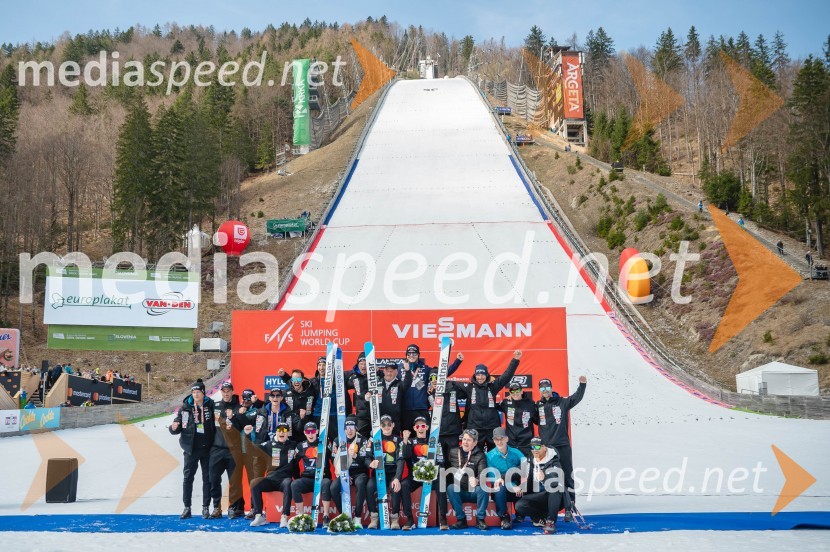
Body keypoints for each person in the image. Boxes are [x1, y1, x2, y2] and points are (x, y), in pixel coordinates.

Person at [536, 375, 586, 506]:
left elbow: (576, 398)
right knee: (549, 475)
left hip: (562, 445)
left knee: (567, 474)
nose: (545, 390)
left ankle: (571, 503)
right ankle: (553, 503)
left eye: (547, 387)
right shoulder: (538, 406)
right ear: (539, 390)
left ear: (551, 388)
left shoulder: (562, 402)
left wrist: (582, 385)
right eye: (542, 388)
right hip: (546, 448)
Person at [169, 380, 216, 519]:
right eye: (193, 392)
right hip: (191, 449)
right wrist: (173, 428)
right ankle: (187, 507)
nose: (195, 395)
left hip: (207, 448)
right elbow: (177, 426)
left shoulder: (211, 405)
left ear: (203, 393)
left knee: (207, 479)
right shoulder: (185, 407)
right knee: (188, 478)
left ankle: (206, 507)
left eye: (198, 392)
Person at [462, 350, 522, 451]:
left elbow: (506, 376)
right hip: (475, 429)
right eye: (478, 375)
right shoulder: (469, 387)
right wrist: (435, 386)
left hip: (492, 428)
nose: (480, 377)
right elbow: (452, 386)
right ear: (475, 376)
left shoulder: (493, 386)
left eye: (482, 375)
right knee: (475, 455)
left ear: (486, 375)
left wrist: (515, 360)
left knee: (495, 453)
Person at [400, 343, 463, 432]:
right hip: (405, 410)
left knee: (423, 438)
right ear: (406, 355)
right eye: (409, 353)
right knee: (407, 437)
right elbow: (389, 377)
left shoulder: (425, 369)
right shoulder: (400, 369)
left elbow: (443, 374)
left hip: (422, 409)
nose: (411, 355)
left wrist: (457, 361)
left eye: (414, 353)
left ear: (418, 355)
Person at [400, 415, 446, 530]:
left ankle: (443, 519)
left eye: (423, 426)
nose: (420, 428)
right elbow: (405, 456)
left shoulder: (435, 441)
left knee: (442, 482)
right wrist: (405, 440)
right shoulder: (410, 441)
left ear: (427, 427)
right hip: (416, 476)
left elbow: (441, 461)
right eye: (418, 426)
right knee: (404, 485)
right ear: (414, 428)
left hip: (431, 476)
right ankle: (410, 520)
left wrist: (432, 471)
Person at [514, 437, 567, 534]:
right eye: (532, 447)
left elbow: (556, 481)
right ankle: (539, 517)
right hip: (537, 497)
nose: (534, 450)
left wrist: (545, 477)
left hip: (552, 497)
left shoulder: (553, 461)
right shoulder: (530, 460)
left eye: (537, 447)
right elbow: (514, 472)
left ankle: (550, 522)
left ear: (544, 448)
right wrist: (501, 478)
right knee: (519, 506)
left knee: (555, 488)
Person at [249, 422, 296, 528]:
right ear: (276, 432)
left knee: (289, 482)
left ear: (288, 433)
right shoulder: (269, 444)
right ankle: (259, 515)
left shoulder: (293, 445)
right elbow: (252, 450)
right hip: (271, 479)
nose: (281, 432)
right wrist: (248, 435)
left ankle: (284, 516)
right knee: (254, 482)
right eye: (279, 430)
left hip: (284, 480)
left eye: (284, 430)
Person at [209, 382, 243, 518]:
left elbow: (243, 426)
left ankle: (232, 508)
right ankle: (216, 508)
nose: (226, 393)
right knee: (214, 480)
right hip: (216, 449)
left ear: (232, 391)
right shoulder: (215, 406)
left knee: (234, 481)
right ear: (221, 392)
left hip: (233, 450)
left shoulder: (238, 407)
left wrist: (233, 418)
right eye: (224, 391)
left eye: (228, 391)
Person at [366, 414, 406, 529]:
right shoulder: (373, 439)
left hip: (392, 474)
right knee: (369, 486)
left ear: (393, 425)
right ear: (380, 426)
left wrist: (397, 478)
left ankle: (394, 519)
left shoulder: (398, 440)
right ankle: (374, 518)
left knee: (395, 487)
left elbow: (400, 460)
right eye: (383, 424)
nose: (386, 427)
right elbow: (367, 457)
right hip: (378, 474)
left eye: (389, 424)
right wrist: (370, 463)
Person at [330, 417, 371, 528]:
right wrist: (344, 475)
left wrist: (355, 456)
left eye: (352, 427)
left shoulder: (362, 440)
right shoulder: (337, 440)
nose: (349, 430)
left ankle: (357, 517)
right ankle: (344, 515)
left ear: (356, 428)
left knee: (360, 483)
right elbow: (334, 460)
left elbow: (365, 461)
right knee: (333, 488)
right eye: (347, 428)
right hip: (344, 472)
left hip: (359, 472)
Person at [233, 389, 268, 517]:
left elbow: (247, 422)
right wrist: (237, 413)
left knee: (254, 480)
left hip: (252, 450)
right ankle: (238, 507)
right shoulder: (240, 409)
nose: (246, 401)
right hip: (240, 449)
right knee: (237, 480)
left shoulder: (257, 409)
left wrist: (241, 413)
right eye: (244, 398)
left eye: (249, 398)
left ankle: (255, 508)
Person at [485, 427, 528, 529]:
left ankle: (524, 513)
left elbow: (526, 466)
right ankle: (504, 517)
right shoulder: (489, 456)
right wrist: (513, 486)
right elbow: (494, 477)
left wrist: (521, 484)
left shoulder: (516, 452)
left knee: (528, 483)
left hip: (517, 487)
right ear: (493, 441)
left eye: (502, 438)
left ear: (507, 439)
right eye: (496, 439)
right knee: (500, 486)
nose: (499, 442)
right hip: (501, 489)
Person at [445, 428, 489, 530]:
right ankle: (461, 520)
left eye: (469, 440)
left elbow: (483, 473)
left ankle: (480, 519)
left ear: (475, 443)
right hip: (459, 492)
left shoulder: (480, 455)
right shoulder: (453, 452)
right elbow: (446, 468)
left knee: (483, 488)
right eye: (464, 439)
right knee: (451, 488)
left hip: (474, 491)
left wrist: (477, 480)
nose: (465, 442)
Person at [291, 421, 333, 524]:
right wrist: (297, 477)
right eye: (308, 432)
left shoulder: (324, 443)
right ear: (304, 433)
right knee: (295, 484)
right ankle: (300, 516)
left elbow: (334, 458)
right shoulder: (301, 446)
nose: (310, 434)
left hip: (322, 478)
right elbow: (293, 463)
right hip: (308, 478)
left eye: (313, 431)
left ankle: (326, 516)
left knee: (326, 483)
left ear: (317, 432)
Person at [498, 382, 536, 457]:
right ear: (509, 392)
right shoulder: (505, 403)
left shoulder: (531, 404)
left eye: (517, 390)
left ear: (522, 391)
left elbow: (537, 420)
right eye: (512, 391)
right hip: (511, 444)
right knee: (512, 468)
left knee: (527, 467)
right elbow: (492, 408)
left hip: (526, 445)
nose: (515, 393)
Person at [374, 361, 413, 431]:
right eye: (387, 371)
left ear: (396, 372)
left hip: (395, 421)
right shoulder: (377, 383)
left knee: (395, 441)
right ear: (384, 371)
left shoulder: (399, 384)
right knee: (379, 441)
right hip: (379, 420)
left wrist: (407, 371)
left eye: (391, 371)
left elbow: (407, 383)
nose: (389, 373)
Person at [346, 353, 372, 438]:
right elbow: (343, 385)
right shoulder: (354, 377)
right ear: (358, 364)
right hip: (361, 415)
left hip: (375, 413)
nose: (363, 366)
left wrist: (378, 371)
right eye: (361, 364)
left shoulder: (376, 375)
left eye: (365, 364)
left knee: (376, 438)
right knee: (361, 438)